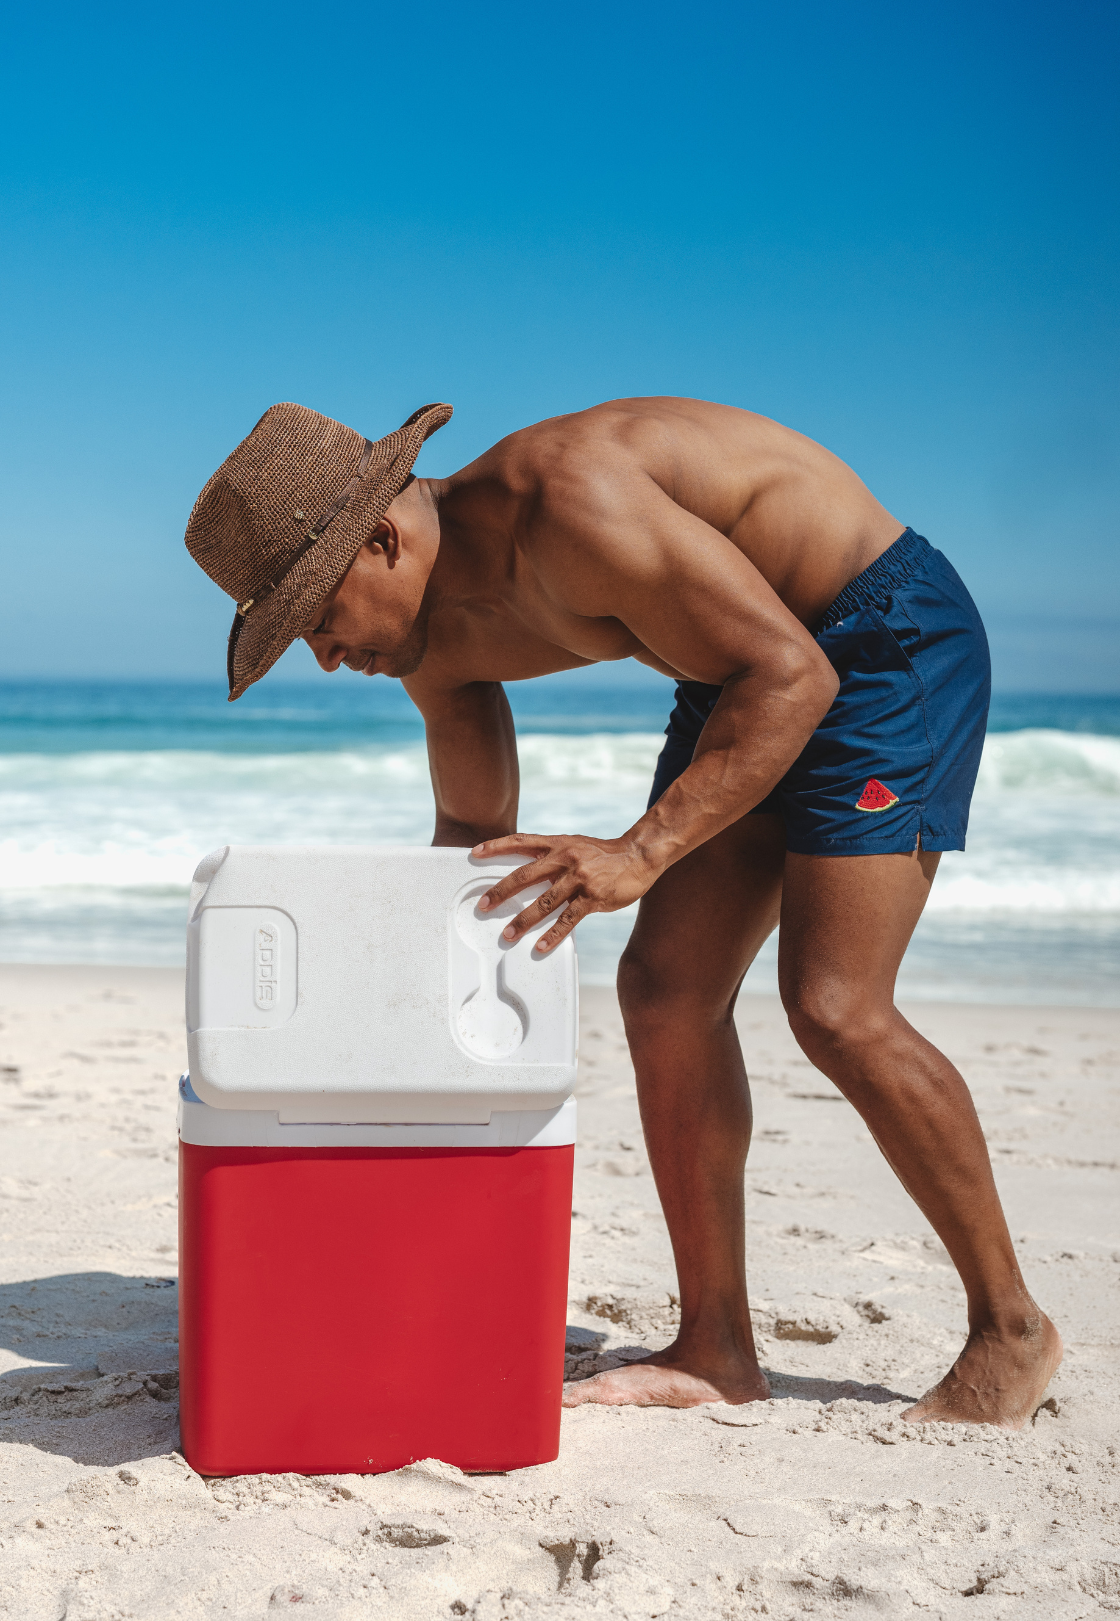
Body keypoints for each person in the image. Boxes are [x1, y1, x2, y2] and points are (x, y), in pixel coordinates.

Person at [185, 396, 1061, 1430]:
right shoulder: (429, 641)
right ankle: (718, 1347)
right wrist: (390, 1005)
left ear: (380, 539)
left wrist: (642, 851)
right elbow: (470, 829)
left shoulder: (566, 504)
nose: (324, 658)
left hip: (876, 641)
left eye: (316, 620)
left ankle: (1010, 1329)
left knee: (832, 1004)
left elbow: (795, 672)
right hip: (735, 670)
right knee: (662, 992)